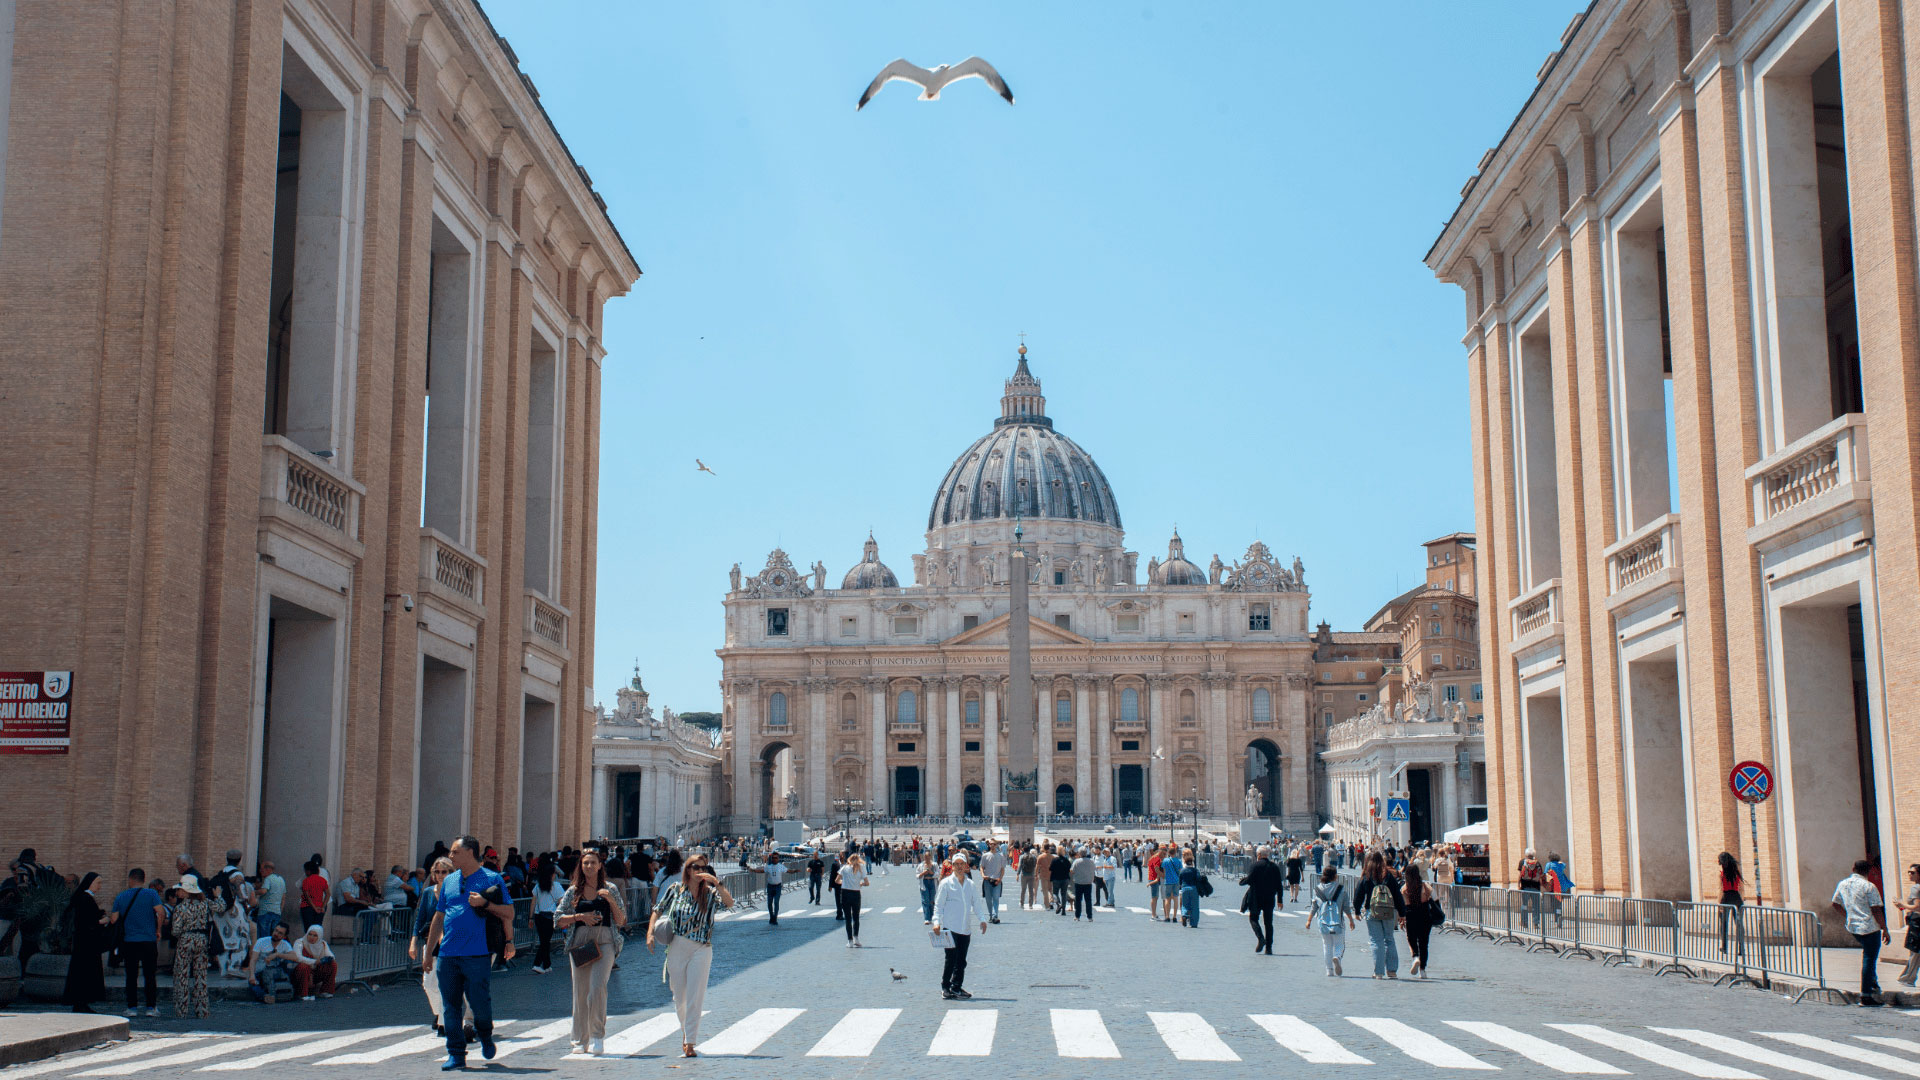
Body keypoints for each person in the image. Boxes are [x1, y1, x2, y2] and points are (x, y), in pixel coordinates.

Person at [424, 836, 515, 1069]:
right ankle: (455, 1053)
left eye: (455, 852)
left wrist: (485, 904)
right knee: (450, 1005)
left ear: (470, 853)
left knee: (479, 1004)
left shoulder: (493, 878)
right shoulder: (450, 881)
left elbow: (509, 913)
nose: (451, 856)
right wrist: (428, 952)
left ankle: (485, 1034)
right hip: (447, 954)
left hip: (478, 954)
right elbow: (439, 916)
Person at [649, 853, 733, 1059]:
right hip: (678, 945)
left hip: (701, 948)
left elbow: (730, 903)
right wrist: (650, 932)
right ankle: (686, 1032)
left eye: (702, 867)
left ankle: (690, 1041)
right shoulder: (675, 890)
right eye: (694, 867)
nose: (698, 871)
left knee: (696, 994)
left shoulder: (711, 893)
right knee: (679, 997)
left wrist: (718, 883)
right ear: (687, 869)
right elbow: (657, 910)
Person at [557, 849, 625, 1056]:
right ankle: (579, 1039)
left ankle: (597, 1036)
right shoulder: (573, 891)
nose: (589, 866)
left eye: (592, 863)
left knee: (597, 987)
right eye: (585, 863)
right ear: (581, 866)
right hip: (580, 943)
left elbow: (621, 920)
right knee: (581, 991)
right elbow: (558, 918)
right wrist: (580, 917)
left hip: (605, 941)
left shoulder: (610, 888)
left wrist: (611, 901)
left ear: (599, 865)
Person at [1832, 858, 1890, 1006]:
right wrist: (1885, 928)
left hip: (1853, 927)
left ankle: (1873, 982)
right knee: (1869, 959)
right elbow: (1876, 909)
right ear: (1869, 871)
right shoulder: (1869, 886)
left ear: (1853, 868)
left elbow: (1835, 903)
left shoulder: (1843, 884)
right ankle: (1866, 994)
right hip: (1870, 927)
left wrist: (1848, 916)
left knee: (1868, 956)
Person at [109, 868, 165, 1017]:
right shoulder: (152, 894)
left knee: (131, 975)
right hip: (148, 940)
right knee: (150, 975)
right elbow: (161, 912)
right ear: (143, 879)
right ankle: (151, 1007)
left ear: (130, 879)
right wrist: (158, 929)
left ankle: (132, 1007)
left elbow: (114, 919)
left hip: (129, 941)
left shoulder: (121, 896)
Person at [409, 858, 456, 1034]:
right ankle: (440, 1013)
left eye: (445, 872)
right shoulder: (429, 892)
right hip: (430, 943)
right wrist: (413, 942)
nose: (441, 875)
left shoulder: (455, 892)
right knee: (428, 984)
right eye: (437, 872)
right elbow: (420, 918)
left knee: (445, 984)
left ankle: (444, 1023)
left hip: (450, 943)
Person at [932, 858, 987, 1000]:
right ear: (953, 866)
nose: (959, 867)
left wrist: (982, 919)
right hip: (950, 927)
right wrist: (936, 922)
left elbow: (976, 904)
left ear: (966, 866)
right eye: (956, 864)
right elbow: (938, 905)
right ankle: (945, 987)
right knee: (950, 959)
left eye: (961, 864)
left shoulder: (970, 884)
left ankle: (956, 986)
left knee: (962, 961)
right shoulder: (945, 884)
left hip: (965, 928)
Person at [61, 872, 108, 1013]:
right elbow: (88, 922)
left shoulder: (83, 898)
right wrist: (103, 921)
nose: (99, 886)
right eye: (98, 883)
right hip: (87, 944)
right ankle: (81, 1003)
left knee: (82, 973)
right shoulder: (85, 899)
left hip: (84, 943)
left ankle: (81, 1002)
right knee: (85, 973)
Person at [1354, 850, 1405, 979]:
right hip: (1389, 911)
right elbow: (1397, 895)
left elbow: (1358, 894)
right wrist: (1402, 913)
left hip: (1372, 911)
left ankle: (1379, 972)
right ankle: (1392, 970)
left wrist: (1357, 910)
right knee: (1389, 939)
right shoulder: (1387, 876)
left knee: (1376, 941)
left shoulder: (1366, 876)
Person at [170, 876, 213, 1018]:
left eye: (180, 890)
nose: (178, 893)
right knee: (201, 975)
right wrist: (218, 896)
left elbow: (176, 929)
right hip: (202, 939)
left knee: (182, 975)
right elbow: (221, 907)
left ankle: (181, 1010)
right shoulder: (204, 903)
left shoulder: (181, 907)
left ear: (186, 891)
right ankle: (202, 1010)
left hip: (186, 939)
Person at [1309, 866, 1353, 976]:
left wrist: (1309, 920)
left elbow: (1314, 906)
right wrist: (1351, 920)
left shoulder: (1318, 889)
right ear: (1335, 876)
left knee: (1326, 945)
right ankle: (1337, 957)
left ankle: (1329, 970)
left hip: (1323, 922)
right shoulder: (1341, 889)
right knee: (1339, 944)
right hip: (1338, 921)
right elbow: (1346, 907)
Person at [1240, 847, 1284, 955]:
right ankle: (1269, 948)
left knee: (1253, 919)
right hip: (1270, 897)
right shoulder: (1274, 867)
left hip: (1256, 897)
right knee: (1268, 923)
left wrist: (1242, 881)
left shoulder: (1255, 865)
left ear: (1258, 854)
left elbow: (1250, 879)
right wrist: (1280, 900)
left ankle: (1260, 938)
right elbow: (1279, 884)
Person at [246, 922, 297, 1003]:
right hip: (261, 971)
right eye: (276, 930)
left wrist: (277, 954)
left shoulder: (285, 944)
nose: (276, 934)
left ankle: (289, 992)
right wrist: (252, 975)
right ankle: (265, 997)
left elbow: (295, 957)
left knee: (292, 965)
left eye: (280, 933)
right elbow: (253, 960)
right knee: (253, 983)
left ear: (284, 936)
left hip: (277, 971)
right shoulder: (261, 941)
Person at [1403, 862, 1438, 978]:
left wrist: (1400, 917)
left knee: (1411, 938)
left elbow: (1401, 904)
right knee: (1424, 943)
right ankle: (1423, 970)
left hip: (1410, 914)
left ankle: (1415, 957)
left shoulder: (1405, 888)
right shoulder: (1424, 885)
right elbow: (1435, 897)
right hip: (1424, 915)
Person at [530, 863, 565, 974]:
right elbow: (562, 902)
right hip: (550, 916)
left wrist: (530, 918)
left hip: (538, 916)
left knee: (544, 941)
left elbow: (533, 902)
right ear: (552, 874)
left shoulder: (538, 885)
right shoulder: (557, 886)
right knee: (545, 942)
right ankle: (536, 964)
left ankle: (547, 964)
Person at [291, 925, 337, 1000]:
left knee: (332, 964)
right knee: (303, 966)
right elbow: (298, 957)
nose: (311, 937)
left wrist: (326, 959)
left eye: (315, 935)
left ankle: (326, 991)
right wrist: (314, 961)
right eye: (310, 934)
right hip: (301, 973)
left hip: (315, 972)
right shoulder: (300, 942)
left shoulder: (323, 944)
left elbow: (330, 955)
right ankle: (302, 994)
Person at [1717, 851, 1746, 959]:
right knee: (1738, 924)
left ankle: (1724, 947)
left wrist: (1719, 903)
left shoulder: (1722, 874)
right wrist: (1741, 899)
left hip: (1726, 897)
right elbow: (1741, 888)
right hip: (1737, 897)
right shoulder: (1736, 873)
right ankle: (1741, 948)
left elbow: (1720, 889)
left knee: (1724, 924)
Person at [1897, 864, 1920, 988]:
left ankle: (1908, 978)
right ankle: (1906, 977)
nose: (1910, 875)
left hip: (1917, 922)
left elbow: (1917, 907)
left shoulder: (1916, 888)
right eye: (1909, 872)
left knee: (1915, 951)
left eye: (1913, 872)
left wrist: (1903, 904)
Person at [841, 854, 869, 947]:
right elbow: (867, 883)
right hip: (856, 893)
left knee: (848, 918)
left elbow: (837, 880)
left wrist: (845, 882)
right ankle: (856, 937)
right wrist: (861, 883)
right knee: (856, 917)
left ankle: (850, 941)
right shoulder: (861, 868)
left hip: (845, 893)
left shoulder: (844, 868)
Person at [255, 861, 286, 939]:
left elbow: (263, 891)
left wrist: (253, 892)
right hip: (277, 913)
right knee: (274, 937)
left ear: (268, 869)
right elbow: (283, 898)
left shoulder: (268, 879)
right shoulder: (281, 880)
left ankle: (264, 951)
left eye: (262, 869)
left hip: (265, 912)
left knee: (264, 938)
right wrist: (279, 911)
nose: (260, 871)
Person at [1516, 849, 1546, 929]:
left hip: (1525, 887)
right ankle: (1536, 923)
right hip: (1536, 887)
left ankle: (1524, 922)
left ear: (1526, 854)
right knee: (1536, 906)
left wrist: (1518, 885)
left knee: (1524, 905)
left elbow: (1520, 875)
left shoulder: (1522, 862)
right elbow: (1540, 876)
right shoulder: (1537, 863)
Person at [978, 842, 1007, 924]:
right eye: (991, 844)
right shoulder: (985, 855)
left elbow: (1002, 869)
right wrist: (983, 875)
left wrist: (1000, 879)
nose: (992, 845)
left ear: (997, 845)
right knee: (988, 900)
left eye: (994, 844)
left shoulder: (1001, 856)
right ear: (989, 845)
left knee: (996, 899)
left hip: (997, 880)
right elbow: (981, 867)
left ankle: (995, 916)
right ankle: (991, 915)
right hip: (987, 880)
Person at [298, 861, 328, 930]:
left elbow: (307, 896)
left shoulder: (306, 881)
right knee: (317, 929)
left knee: (308, 929)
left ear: (308, 871)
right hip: (320, 907)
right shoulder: (322, 880)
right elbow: (328, 894)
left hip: (307, 907)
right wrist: (323, 906)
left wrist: (314, 907)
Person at [1070, 848, 1097, 921]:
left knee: (1078, 900)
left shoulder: (1076, 861)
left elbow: (1072, 871)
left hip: (1078, 883)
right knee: (1088, 900)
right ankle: (1090, 917)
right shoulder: (1091, 861)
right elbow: (1094, 869)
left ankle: (1077, 916)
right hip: (1088, 883)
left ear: (1079, 853)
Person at [1178, 856, 1202, 927]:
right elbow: (1198, 879)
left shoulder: (1182, 870)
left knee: (1185, 904)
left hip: (1185, 888)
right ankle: (1193, 923)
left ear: (1185, 862)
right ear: (1192, 862)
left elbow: (1180, 881)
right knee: (1194, 906)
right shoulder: (1195, 870)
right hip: (1194, 888)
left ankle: (1184, 915)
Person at [763, 853, 786, 926]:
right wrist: (753, 870)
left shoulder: (780, 866)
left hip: (778, 886)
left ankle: (775, 917)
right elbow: (762, 870)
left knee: (776, 902)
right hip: (770, 886)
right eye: (773, 858)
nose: (774, 859)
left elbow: (788, 870)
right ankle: (771, 916)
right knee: (769, 903)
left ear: (778, 859)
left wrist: (795, 870)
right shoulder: (769, 866)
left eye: (776, 858)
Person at [1049, 845, 1072, 915]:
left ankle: (1058, 904)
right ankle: (1063, 911)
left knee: (1055, 893)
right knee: (1064, 894)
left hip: (1056, 879)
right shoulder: (1066, 860)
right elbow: (1069, 867)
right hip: (1065, 879)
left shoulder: (1054, 860)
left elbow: (1050, 868)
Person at [918, 853, 939, 924]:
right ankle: (927, 918)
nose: (927, 858)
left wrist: (931, 872)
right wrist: (924, 873)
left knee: (931, 900)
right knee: (925, 900)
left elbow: (938, 874)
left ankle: (932, 916)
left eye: (928, 856)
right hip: (924, 883)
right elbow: (917, 875)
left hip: (932, 883)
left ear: (930, 857)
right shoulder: (921, 865)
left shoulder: (935, 865)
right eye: (925, 857)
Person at [1019, 844, 1039, 910]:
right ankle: (1030, 905)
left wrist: (1017, 874)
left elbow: (1020, 866)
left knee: (1023, 889)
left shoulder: (1022, 857)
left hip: (1024, 875)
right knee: (1030, 890)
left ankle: (1022, 903)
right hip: (1031, 875)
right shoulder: (1033, 857)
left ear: (1023, 850)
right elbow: (1036, 865)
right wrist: (1036, 873)